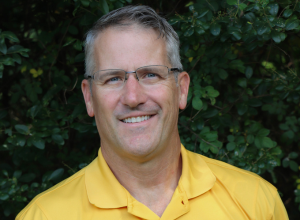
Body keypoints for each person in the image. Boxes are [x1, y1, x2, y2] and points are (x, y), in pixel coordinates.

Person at [16, 5, 289, 220]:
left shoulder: (256, 202)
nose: (133, 97)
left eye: (150, 74)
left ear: (181, 89)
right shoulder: (43, 216)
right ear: (89, 97)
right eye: (113, 78)